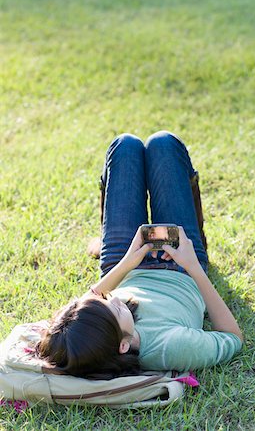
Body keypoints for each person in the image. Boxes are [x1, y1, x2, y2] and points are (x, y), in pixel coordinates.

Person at [37, 131, 243, 379]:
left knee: (124, 145)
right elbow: (232, 337)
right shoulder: (170, 347)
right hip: (182, 269)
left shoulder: (94, 335)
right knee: (164, 143)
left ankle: (104, 240)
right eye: (113, 309)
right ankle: (193, 241)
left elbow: (89, 301)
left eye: (103, 302)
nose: (111, 298)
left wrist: (128, 262)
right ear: (123, 346)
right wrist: (192, 266)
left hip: (124, 264)